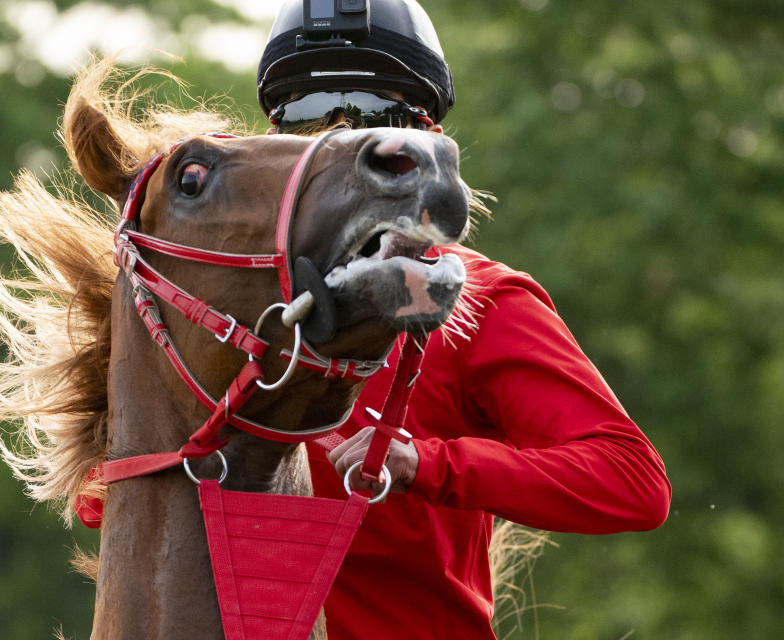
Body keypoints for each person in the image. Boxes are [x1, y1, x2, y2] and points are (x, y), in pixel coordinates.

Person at [257, 1, 671, 638]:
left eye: (377, 118)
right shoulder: (216, 292)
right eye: (309, 117)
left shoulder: (483, 302)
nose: (342, 146)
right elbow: (102, 503)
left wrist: (426, 465)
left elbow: (631, 481)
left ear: (425, 136)